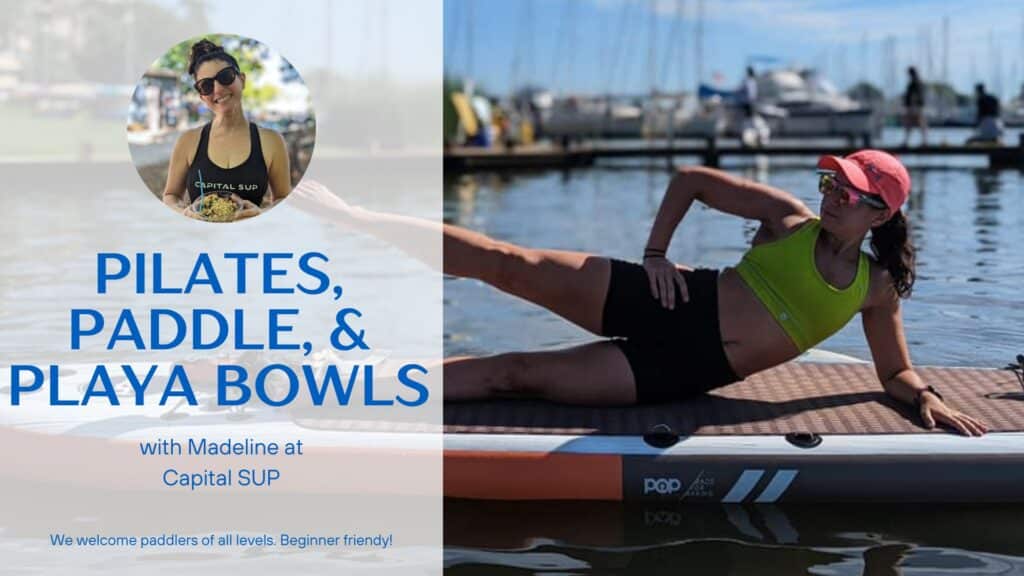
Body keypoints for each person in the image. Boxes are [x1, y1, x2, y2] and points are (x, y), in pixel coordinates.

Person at [288, 151, 989, 436]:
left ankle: (358, 386)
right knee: (507, 260)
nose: (835, 195)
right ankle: (356, 217)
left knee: (518, 374)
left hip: (681, 371)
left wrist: (920, 395)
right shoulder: (788, 220)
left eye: (853, 192)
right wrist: (655, 253)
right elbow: (690, 178)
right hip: (670, 297)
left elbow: (892, 371)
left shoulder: (875, 290)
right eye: (833, 182)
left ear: (881, 213)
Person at [162, 39, 292, 220]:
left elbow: (283, 199)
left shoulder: (271, 141)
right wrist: (185, 213)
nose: (218, 89)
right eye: (206, 86)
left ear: (242, 80)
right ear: (201, 96)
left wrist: (259, 214)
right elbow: (171, 197)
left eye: (225, 77)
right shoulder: (188, 141)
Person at [902, 67, 928, 146]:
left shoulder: (915, 83)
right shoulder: (917, 82)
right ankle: (923, 141)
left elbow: (914, 95)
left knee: (913, 124)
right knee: (917, 124)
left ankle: (923, 141)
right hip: (916, 106)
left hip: (914, 106)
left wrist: (913, 106)